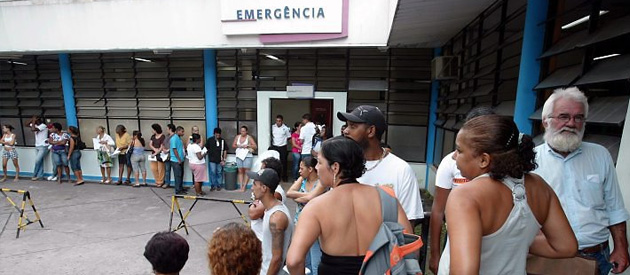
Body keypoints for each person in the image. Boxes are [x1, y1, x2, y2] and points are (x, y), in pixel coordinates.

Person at [437, 114, 577, 274]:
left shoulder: (465, 196)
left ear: (484, 160)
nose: (454, 156)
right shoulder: (540, 186)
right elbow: (566, 246)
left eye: (459, 150)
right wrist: (516, 241)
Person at [534, 87, 630, 274]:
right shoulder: (531, 161)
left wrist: (621, 248)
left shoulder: (600, 154)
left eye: (578, 117)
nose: (571, 123)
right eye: (563, 116)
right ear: (545, 121)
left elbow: (614, 207)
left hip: (596, 257)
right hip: (548, 257)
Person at [286, 136, 413, 275]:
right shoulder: (387, 198)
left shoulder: (316, 207)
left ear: (335, 167)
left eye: (320, 162)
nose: (316, 167)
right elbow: (410, 246)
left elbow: (294, 261)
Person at [429, 106, 495, 274]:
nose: (455, 156)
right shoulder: (450, 163)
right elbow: (438, 210)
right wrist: (435, 254)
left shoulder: (504, 173)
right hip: (456, 238)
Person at [338, 105, 424, 224]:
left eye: (353, 126)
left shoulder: (401, 170)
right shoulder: (341, 166)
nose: (346, 131)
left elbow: (408, 223)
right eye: (347, 125)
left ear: (371, 131)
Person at [247, 168, 293, 275]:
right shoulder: (269, 210)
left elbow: (277, 258)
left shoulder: (276, 217)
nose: (252, 188)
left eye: (254, 184)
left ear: (264, 188)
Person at [286, 156, 326, 275]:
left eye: (301, 168)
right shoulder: (301, 179)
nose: (299, 171)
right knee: (301, 259)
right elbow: (289, 193)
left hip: (314, 225)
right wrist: (305, 197)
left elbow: (310, 198)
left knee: (315, 261)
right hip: (299, 223)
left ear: (310, 169)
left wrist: (300, 197)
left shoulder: (321, 182)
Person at [248, 157, 286, 241]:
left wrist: (253, 206)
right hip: (258, 238)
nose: (252, 188)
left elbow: (253, 214)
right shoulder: (263, 191)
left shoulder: (276, 193)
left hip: (263, 240)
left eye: (262, 170)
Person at [233, 125, 257, 192]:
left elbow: (255, 146)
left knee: (246, 171)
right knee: (240, 171)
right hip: (239, 155)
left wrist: (248, 145)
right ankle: (241, 186)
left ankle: (244, 186)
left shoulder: (249, 137)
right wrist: (239, 145)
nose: (242, 132)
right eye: (241, 131)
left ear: (246, 132)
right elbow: (233, 145)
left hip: (247, 155)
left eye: (243, 131)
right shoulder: (237, 137)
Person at [270, 115, 291, 182]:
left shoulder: (285, 128)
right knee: (274, 162)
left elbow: (289, 138)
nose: (278, 122)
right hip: (274, 146)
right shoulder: (273, 127)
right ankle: (276, 177)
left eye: (279, 121)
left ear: (282, 121)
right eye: (277, 121)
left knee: (283, 163)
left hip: (282, 147)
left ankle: (284, 176)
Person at [27, 116, 49, 181]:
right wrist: (32, 119)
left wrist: (33, 121)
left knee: (37, 161)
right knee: (40, 161)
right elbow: (26, 124)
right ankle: (40, 176)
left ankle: (34, 175)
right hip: (37, 145)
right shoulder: (35, 125)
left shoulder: (43, 126)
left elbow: (33, 129)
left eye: (35, 120)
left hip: (43, 146)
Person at [170, 126, 186, 194]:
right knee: (177, 175)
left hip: (181, 159)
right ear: (178, 131)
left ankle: (181, 188)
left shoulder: (179, 139)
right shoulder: (174, 138)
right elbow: (174, 149)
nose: (183, 133)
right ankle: (178, 190)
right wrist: (178, 159)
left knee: (181, 174)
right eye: (182, 131)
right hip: (176, 160)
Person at [162, 124, 176, 189]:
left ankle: (177, 183)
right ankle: (167, 182)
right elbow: (163, 144)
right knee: (167, 170)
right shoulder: (167, 136)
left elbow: (175, 146)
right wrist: (164, 149)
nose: (166, 130)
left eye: (167, 128)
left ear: (170, 129)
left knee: (175, 170)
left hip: (172, 155)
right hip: (166, 156)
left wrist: (168, 150)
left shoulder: (175, 137)